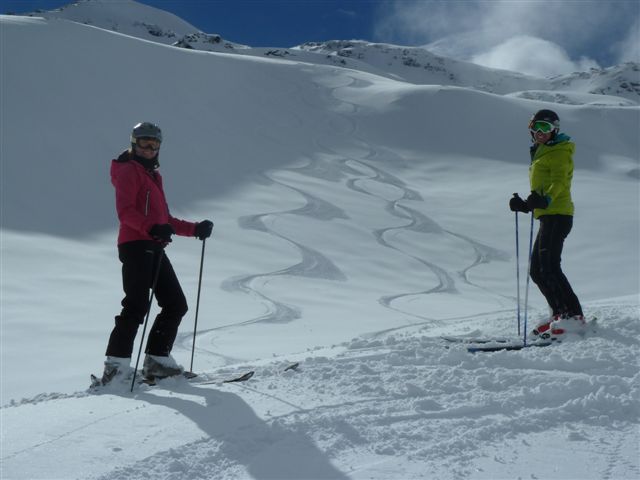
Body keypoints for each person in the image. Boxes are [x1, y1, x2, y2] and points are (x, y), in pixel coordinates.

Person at [101, 122, 214, 384]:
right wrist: (152, 227)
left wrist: (195, 228)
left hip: (153, 245)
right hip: (135, 244)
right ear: (134, 144)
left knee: (175, 304)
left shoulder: (152, 175)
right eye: (144, 143)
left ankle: (157, 363)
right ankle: (115, 369)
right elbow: (126, 212)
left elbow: (164, 219)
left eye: (154, 145)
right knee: (136, 305)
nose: (150, 149)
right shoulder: (130, 172)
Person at [509, 109, 584, 339]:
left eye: (546, 128)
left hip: (558, 215)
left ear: (555, 130)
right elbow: (541, 191)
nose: (541, 132)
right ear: (531, 129)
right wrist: (526, 204)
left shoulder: (559, 152)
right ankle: (559, 313)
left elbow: (560, 182)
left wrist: (546, 199)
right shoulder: (542, 152)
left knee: (549, 266)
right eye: (537, 127)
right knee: (537, 271)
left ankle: (573, 317)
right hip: (547, 216)